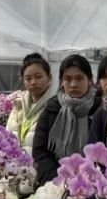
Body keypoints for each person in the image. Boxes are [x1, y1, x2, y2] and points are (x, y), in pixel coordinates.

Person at [32, 55, 101, 185]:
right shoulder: (52, 109)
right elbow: (40, 152)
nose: (73, 84)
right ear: (61, 82)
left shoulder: (100, 109)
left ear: (90, 80)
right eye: (68, 79)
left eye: (79, 78)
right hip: (57, 184)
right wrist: (57, 180)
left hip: (94, 183)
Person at [5, 54, 57, 155]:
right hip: (14, 164)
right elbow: (6, 138)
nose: (33, 82)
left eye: (38, 77)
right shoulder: (18, 107)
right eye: (28, 78)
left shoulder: (55, 108)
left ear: (49, 78)